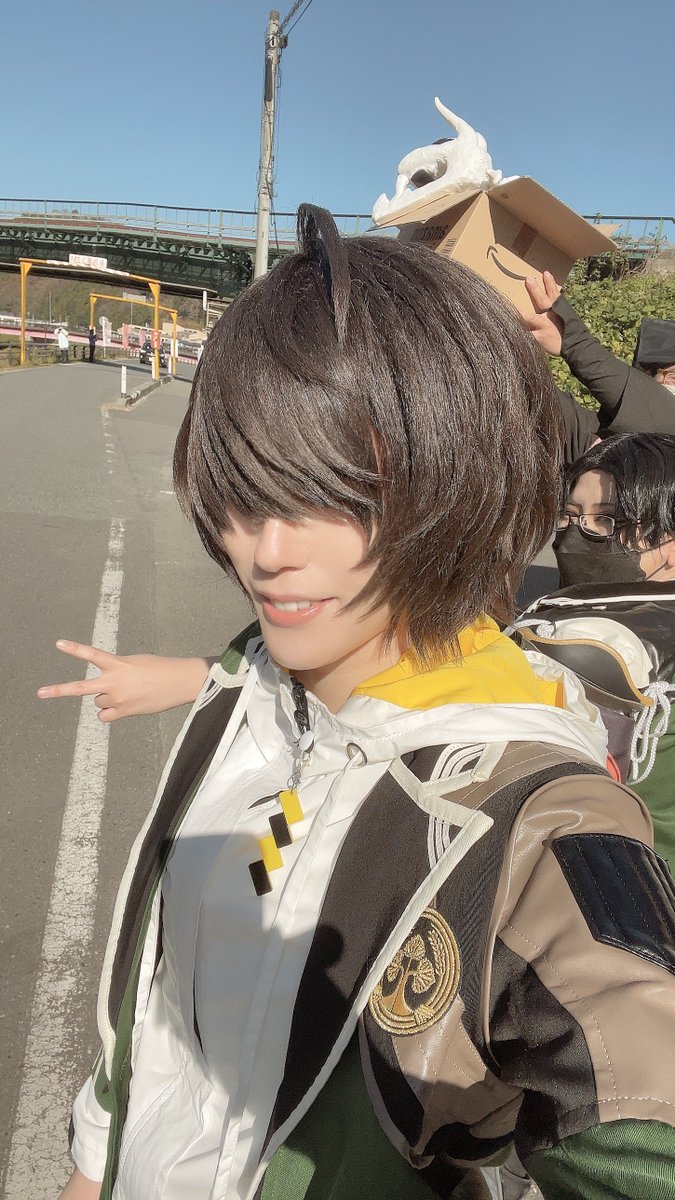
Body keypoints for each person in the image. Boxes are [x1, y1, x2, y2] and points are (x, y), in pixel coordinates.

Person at [48, 207, 675, 1200]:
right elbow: (166, 991)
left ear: (460, 485)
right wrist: (96, 1160)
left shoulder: (534, 817)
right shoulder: (258, 687)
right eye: (246, 487)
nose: (268, 549)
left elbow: (638, 1110)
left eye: (339, 495)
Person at [524, 272, 675, 463]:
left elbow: (662, 416)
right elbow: (554, 409)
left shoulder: (657, 455)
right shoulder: (605, 446)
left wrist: (576, 344)